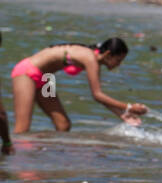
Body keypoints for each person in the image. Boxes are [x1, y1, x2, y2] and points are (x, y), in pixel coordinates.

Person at [10, 39, 146, 132]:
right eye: (118, 60)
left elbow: (99, 95)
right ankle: (15, 163)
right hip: (27, 73)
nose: (118, 65)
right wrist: (129, 107)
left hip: (46, 79)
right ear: (108, 54)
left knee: (63, 125)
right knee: (22, 129)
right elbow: (97, 95)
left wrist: (122, 113)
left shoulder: (94, 59)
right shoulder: (90, 58)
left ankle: (48, 156)